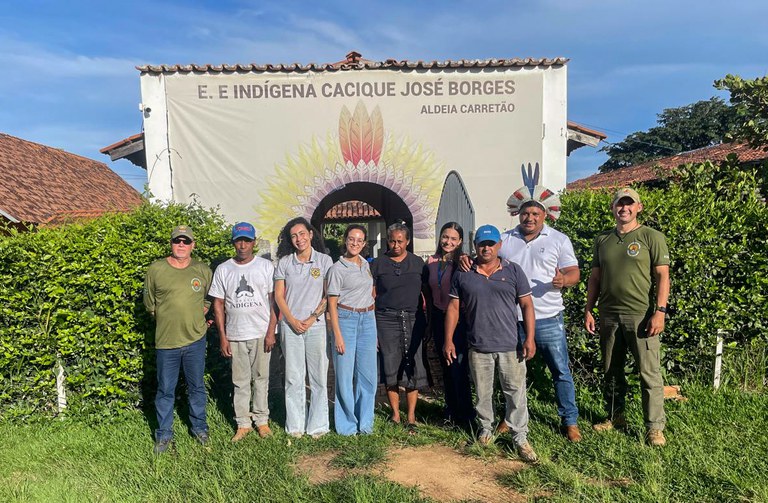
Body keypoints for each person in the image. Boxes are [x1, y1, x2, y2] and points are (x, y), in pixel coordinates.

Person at [445, 225, 539, 463]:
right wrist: (448, 340)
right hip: (478, 345)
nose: (486, 248)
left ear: (499, 245)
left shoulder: (513, 271)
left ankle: (520, 436)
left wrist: (529, 337)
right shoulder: (463, 272)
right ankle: (485, 430)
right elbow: (454, 308)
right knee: (482, 394)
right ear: (475, 246)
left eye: (491, 244)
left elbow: (527, 305)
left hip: (510, 344)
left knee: (516, 393)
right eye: (481, 244)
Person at [585, 187, 670, 447]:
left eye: (629, 204)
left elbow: (662, 276)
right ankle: (615, 416)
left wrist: (660, 311)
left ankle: (654, 427)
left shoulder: (651, 237)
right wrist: (589, 309)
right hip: (609, 315)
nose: (624, 208)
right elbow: (595, 278)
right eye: (619, 204)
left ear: (638, 207)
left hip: (641, 317)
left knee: (649, 373)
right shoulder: (603, 240)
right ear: (613, 208)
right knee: (611, 370)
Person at [499, 181, 582, 442]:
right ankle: (510, 418)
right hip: (513, 319)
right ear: (518, 214)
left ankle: (570, 421)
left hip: (548, 318)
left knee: (560, 371)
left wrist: (564, 281)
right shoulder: (505, 239)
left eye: (536, 214)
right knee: (512, 374)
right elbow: (486, 261)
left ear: (545, 215)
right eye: (526, 213)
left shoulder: (559, 239)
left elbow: (574, 273)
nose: (530, 217)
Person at [143, 225, 213, 454]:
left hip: (195, 339)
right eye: (177, 241)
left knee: (196, 387)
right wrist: (166, 317)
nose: (181, 245)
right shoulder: (157, 269)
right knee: (165, 390)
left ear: (193, 245)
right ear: (171, 244)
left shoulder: (202, 270)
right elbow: (150, 304)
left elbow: (210, 298)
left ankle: (199, 429)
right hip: (166, 342)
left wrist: (202, 311)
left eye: (186, 241)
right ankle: (164, 435)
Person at [209, 222, 277, 442]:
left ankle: (262, 421)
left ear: (253, 243)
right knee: (239, 381)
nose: (242, 245)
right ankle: (243, 423)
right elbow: (218, 304)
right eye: (239, 240)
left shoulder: (265, 267)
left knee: (261, 379)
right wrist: (223, 336)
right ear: (233, 242)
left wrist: (271, 331)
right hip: (235, 334)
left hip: (260, 333)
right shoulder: (223, 269)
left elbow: (274, 301)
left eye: (247, 241)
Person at [274, 217, 333, 439]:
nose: (299, 239)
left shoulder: (325, 261)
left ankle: (318, 426)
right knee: (293, 376)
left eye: (302, 234)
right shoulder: (285, 263)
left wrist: (311, 318)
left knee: (318, 375)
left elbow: (329, 295)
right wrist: (291, 319)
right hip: (290, 326)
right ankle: (295, 426)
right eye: (294, 236)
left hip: (315, 326)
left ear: (310, 234)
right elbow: (279, 296)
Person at [371, 222, 429, 433]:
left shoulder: (418, 264)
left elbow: (426, 294)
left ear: (408, 241)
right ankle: (395, 414)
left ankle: (411, 416)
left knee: (412, 364)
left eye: (400, 241)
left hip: (413, 319)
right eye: (392, 241)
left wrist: (427, 322)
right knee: (390, 364)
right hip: (385, 319)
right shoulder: (378, 264)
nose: (396, 245)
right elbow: (373, 294)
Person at [327, 224, 377, 436]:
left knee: (368, 376)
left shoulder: (366, 265)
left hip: (368, 319)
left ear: (364, 243)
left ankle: (365, 424)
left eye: (359, 240)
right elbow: (331, 304)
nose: (355, 243)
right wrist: (337, 334)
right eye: (351, 239)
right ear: (345, 241)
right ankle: (347, 426)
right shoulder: (336, 269)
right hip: (346, 320)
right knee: (345, 376)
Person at [423, 222, 474, 427]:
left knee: (458, 367)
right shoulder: (432, 261)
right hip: (437, 317)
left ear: (460, 241)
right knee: (445, 366)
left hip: (457, 320)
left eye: (453, 239)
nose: (448, 242)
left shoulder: (463, 262)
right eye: (445, 237)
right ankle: (450, 412)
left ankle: (466, 416)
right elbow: (427, 290)